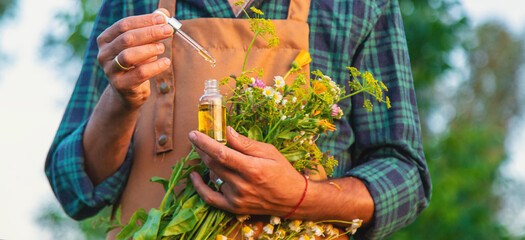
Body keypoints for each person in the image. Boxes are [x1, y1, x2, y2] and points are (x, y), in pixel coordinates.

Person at [45, 0, 431, 239]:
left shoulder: (359, 5)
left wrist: (300, 198)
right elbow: (73, 187)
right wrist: (120, 98)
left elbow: (405, 175)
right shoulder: (133, 2)